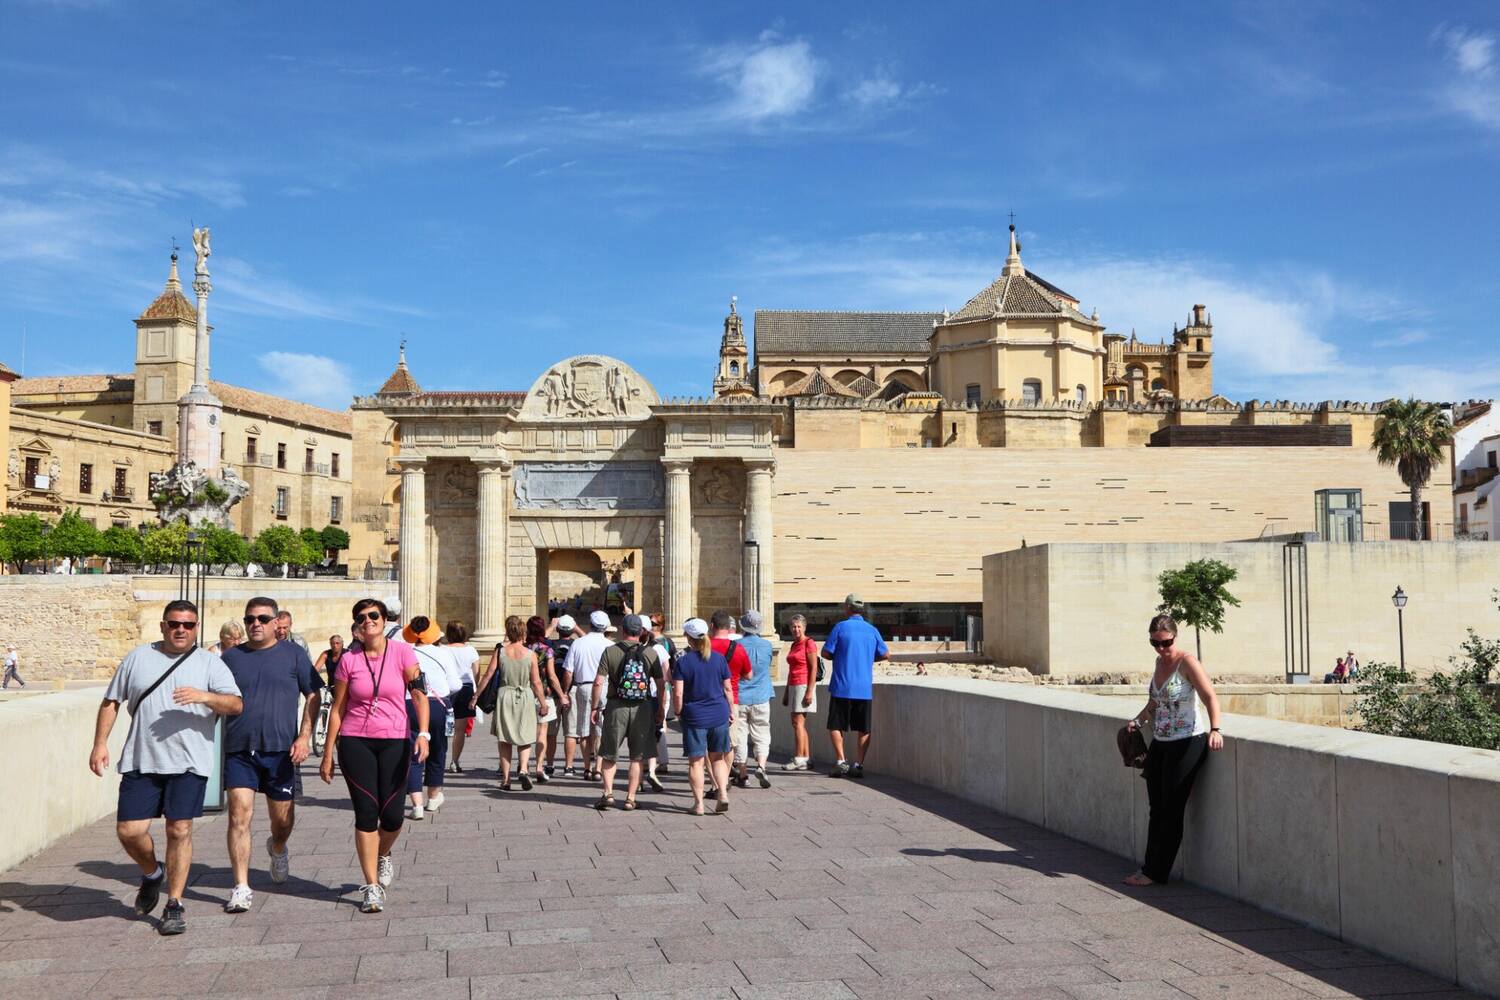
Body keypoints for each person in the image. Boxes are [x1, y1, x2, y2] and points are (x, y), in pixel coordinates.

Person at [89, 600, 243, 935]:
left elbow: (235, 703)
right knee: (129, 831)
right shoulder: (137, 658)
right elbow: (111, 702)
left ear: (196, 627)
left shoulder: (209, 664)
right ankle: (151, 873)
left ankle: (174, 903)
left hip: (189, 762)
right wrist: (100, 743)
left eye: (188, 625)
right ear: (162, 625)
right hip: (141, 759)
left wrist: (205, 697)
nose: (181, 630)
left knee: (179, 830)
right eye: (175, 624)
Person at [319, 598, 428, 914]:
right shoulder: (348, 661)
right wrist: (328, 753)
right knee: (366, 812)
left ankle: (382, 853)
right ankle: (371, 886)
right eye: (361, 617)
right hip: (356, 741)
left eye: (374, 615)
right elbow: (338, 709)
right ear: (356, 624)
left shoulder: (403, 652)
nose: (368, 621)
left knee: (393, 815)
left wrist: (424, 733)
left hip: (395, 740)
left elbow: (419, 695)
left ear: (384, 619)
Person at [219, 597, 321, 913]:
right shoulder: (231, 657)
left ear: (277, 622)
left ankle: (277, 847)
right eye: (250, 619)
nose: (256, 624)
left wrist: (305, 736)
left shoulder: (293, 655)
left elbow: (314, 694)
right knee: (239, 815)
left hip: (280, 752)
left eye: (263, 618)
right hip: (240, 749)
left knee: (282, 820)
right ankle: (241, 886)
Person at [1123, 613, 1224, 887]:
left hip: (1188, 742)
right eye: (1154, 643)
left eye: (1165, 643)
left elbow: (1209, 696)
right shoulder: (1158, 663)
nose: (1160, 649)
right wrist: (1139, 720)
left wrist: (1216, 729)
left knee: (1172, 808)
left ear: (1174, 637)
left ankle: (1155, 872)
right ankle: (1148, 868)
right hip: (1161, 743)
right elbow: (1154, 702)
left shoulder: (1187, 662)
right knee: (1156, 808)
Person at [591, 614, 667, 810]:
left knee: (609, 754)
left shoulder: (610, 651)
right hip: (642, 708)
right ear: (641, 631)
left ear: (623, 630)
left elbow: (599, 681)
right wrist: (659, 710)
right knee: (637, 757)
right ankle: (630, 798)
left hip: (616, 706)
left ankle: (608, 793)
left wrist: (594, 707)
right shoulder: (651, 653)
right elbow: (660, 685)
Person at [821, 594, 888, 779]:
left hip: (842, 685)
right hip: (864, 687)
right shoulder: (872, 630)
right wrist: (868, 658)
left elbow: (826, 652)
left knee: (835, 724)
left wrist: (841, 656)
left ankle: (841, 761)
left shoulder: (840, 627)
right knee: (864, 728)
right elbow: (885, 654)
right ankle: (858, 764)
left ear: (847, 608)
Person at [475, 615, 545, 790]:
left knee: (504, 738)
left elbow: (488, 674)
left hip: (505, 695)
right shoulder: (531, 654)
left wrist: (476, 696)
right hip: (525, 696)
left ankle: (506, 779)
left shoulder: (500, 651)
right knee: (525, 736)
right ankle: (522, 769)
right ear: (523, 633)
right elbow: (536, 682)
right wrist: (543, 703)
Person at [404, 616, 464, 817]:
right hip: (438, 705)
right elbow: (455, 684)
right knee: (438, 750)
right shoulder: (443, 653)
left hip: (410, 704)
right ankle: (433, 797)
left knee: (413, 754)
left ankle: (416, 805)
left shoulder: (405, 652)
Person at [673, 618, 733, 816]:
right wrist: (731, 710)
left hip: (695, 715)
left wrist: (678, 711)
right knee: (718, 759)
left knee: (696, 762)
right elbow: (727, 688)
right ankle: (722, 793)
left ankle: (698, 805)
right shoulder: (719, 659)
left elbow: (679, 693)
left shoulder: (683, 662)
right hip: (719, 713)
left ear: (688, 637)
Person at [561, 610, 613, 779]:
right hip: (604, 687)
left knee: (583, 728)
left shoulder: (578, 643)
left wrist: (565, 691)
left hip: (583, 687)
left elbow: (568, 672)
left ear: (589, 624)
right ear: (605, 627)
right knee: (600, 728)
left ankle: (586, 767)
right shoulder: (610, 645)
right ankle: (598, 767)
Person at [731, 610, 774, 790]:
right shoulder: (767, 645)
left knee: (740, 735)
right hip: (762, 695)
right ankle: (761, 766)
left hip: (740, 696)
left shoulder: (736, 646)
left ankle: (743, 775)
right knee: (762, 733)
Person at [523, 616, 565, 783]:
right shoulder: (547, 650)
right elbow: (552, 676)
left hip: (525, 694)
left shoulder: (524, 649)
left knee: (524, 734)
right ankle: (539, 768)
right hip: (544, 696)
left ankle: (523, 767)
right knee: (542, 733)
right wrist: (562, 696)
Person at [781, 614, 818, 771]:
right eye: (793, 626)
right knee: (798, 723)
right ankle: (806, 758)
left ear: (804, 627)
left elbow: (813, 668)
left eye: (798, 626)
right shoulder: (794, 645)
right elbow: (790, 670)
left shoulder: (809, 643)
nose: (796, 629)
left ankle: (799, 758)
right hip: (794, 685)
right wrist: (786, 691)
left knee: (797, 723)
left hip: (803, 685)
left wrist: (810, 691)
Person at [542, 614, 578, 778]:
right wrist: (577, 628)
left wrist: (551, 626)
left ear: (558, 629)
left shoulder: (550, 644)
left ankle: (549, 765)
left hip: (553, 691)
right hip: (571, 691)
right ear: (571, 630)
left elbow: (540, 639)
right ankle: (569, 766)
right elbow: (589, 639)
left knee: (551, 733)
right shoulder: (578, 644)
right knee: (570, 732)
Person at [644, 613, 676, 788]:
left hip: (651, 692)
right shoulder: (660, 647)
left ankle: (654, 762)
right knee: (658, 727)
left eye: (654, 624)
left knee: (651, 728)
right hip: (659, 691)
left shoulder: (663, 644)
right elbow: (668, 673)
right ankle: (658, 762)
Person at [444, 620, 479, 774]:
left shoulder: (442, 649)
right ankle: (454, 761)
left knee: (442, 728)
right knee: (460, 730)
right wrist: (475, 693)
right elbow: (476, 674)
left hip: (447, 689)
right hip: (465, 689)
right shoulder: (471, 650)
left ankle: (439, 758)